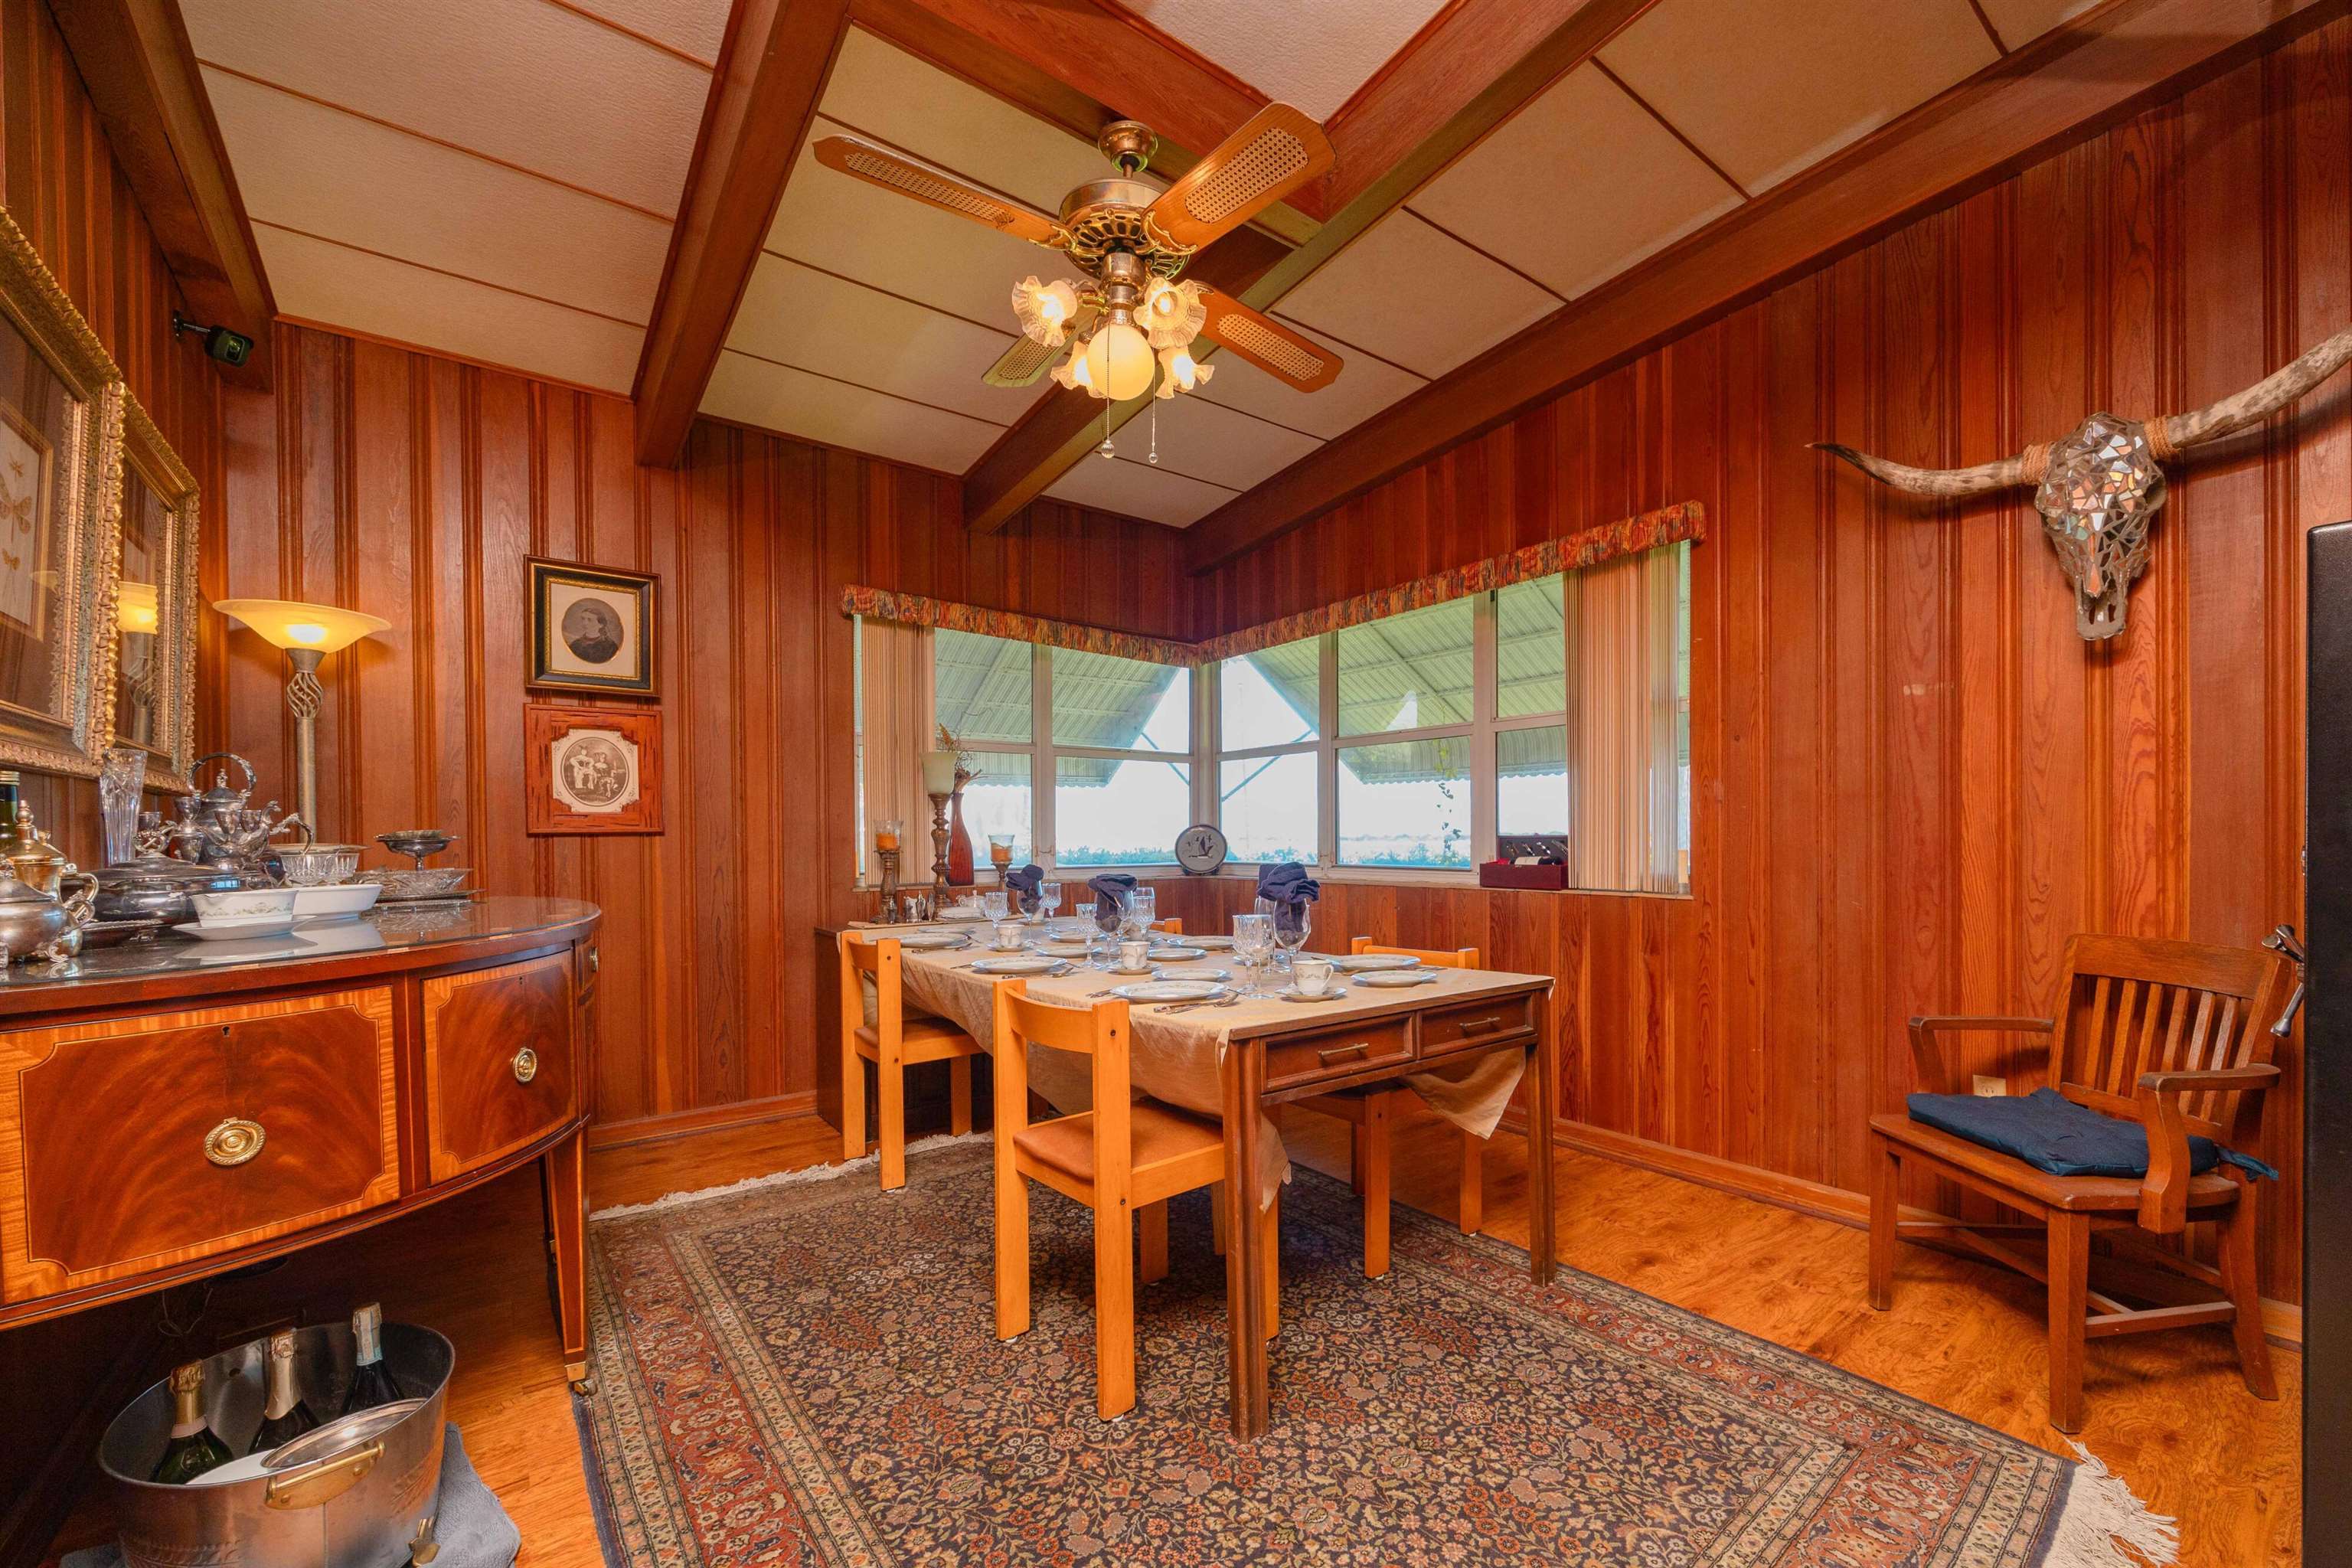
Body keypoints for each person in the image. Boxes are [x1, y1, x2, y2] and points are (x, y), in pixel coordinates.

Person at [561, 598, 622, 665]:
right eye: (583, 619)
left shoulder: (610, 646)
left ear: (601, 624)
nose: (585, 623)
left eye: (590, 620)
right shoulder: (576, 645)